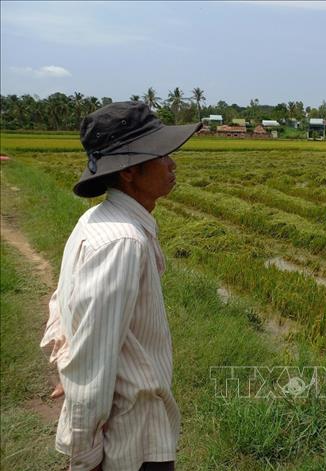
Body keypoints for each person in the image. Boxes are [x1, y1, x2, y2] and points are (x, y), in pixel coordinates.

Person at [40, 101, 200, 471]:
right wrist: (85, 455)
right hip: (129, 443)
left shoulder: (97, 221)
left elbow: (62, 306)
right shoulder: (123, 241)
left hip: (132, 432)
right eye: (162, 156)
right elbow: (91, 361)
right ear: (130, 172)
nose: (173, 165)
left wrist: (65, 363)